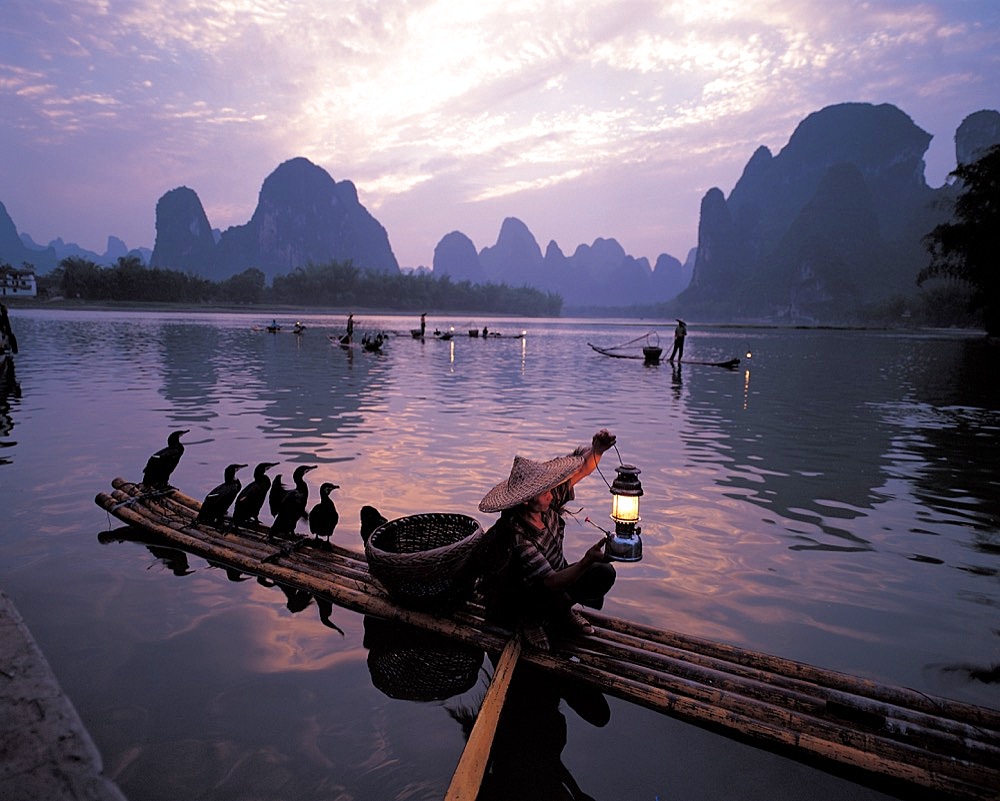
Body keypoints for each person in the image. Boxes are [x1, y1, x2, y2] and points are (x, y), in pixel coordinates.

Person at [478, 429, 618, 650]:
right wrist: (586, 561)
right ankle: (531, 619)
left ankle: (561, 611)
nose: (551, 494)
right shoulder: (519, 537)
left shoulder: (546, 503)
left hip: (555, 581)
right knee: (573, 578)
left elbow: (582, 469)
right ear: (525, 501)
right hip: (529, 596)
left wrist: (598, 449)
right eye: (544, 492)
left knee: (604, 572)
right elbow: (551, 582)